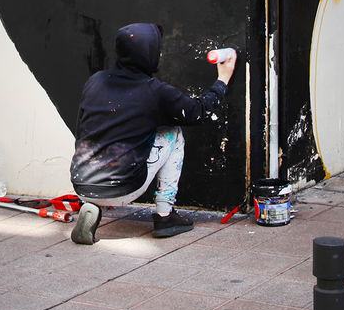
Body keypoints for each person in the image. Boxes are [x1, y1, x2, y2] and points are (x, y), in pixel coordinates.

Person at [68, 22, 235, 245]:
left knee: (111, 137)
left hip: (81, 184)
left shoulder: (95, 81)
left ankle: (92, 205)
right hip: (125, 187)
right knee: (173, 132)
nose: (161, 54)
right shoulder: (154, 91)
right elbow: (198, 112)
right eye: (157, 50)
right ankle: (165, 216)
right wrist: (223, 79)